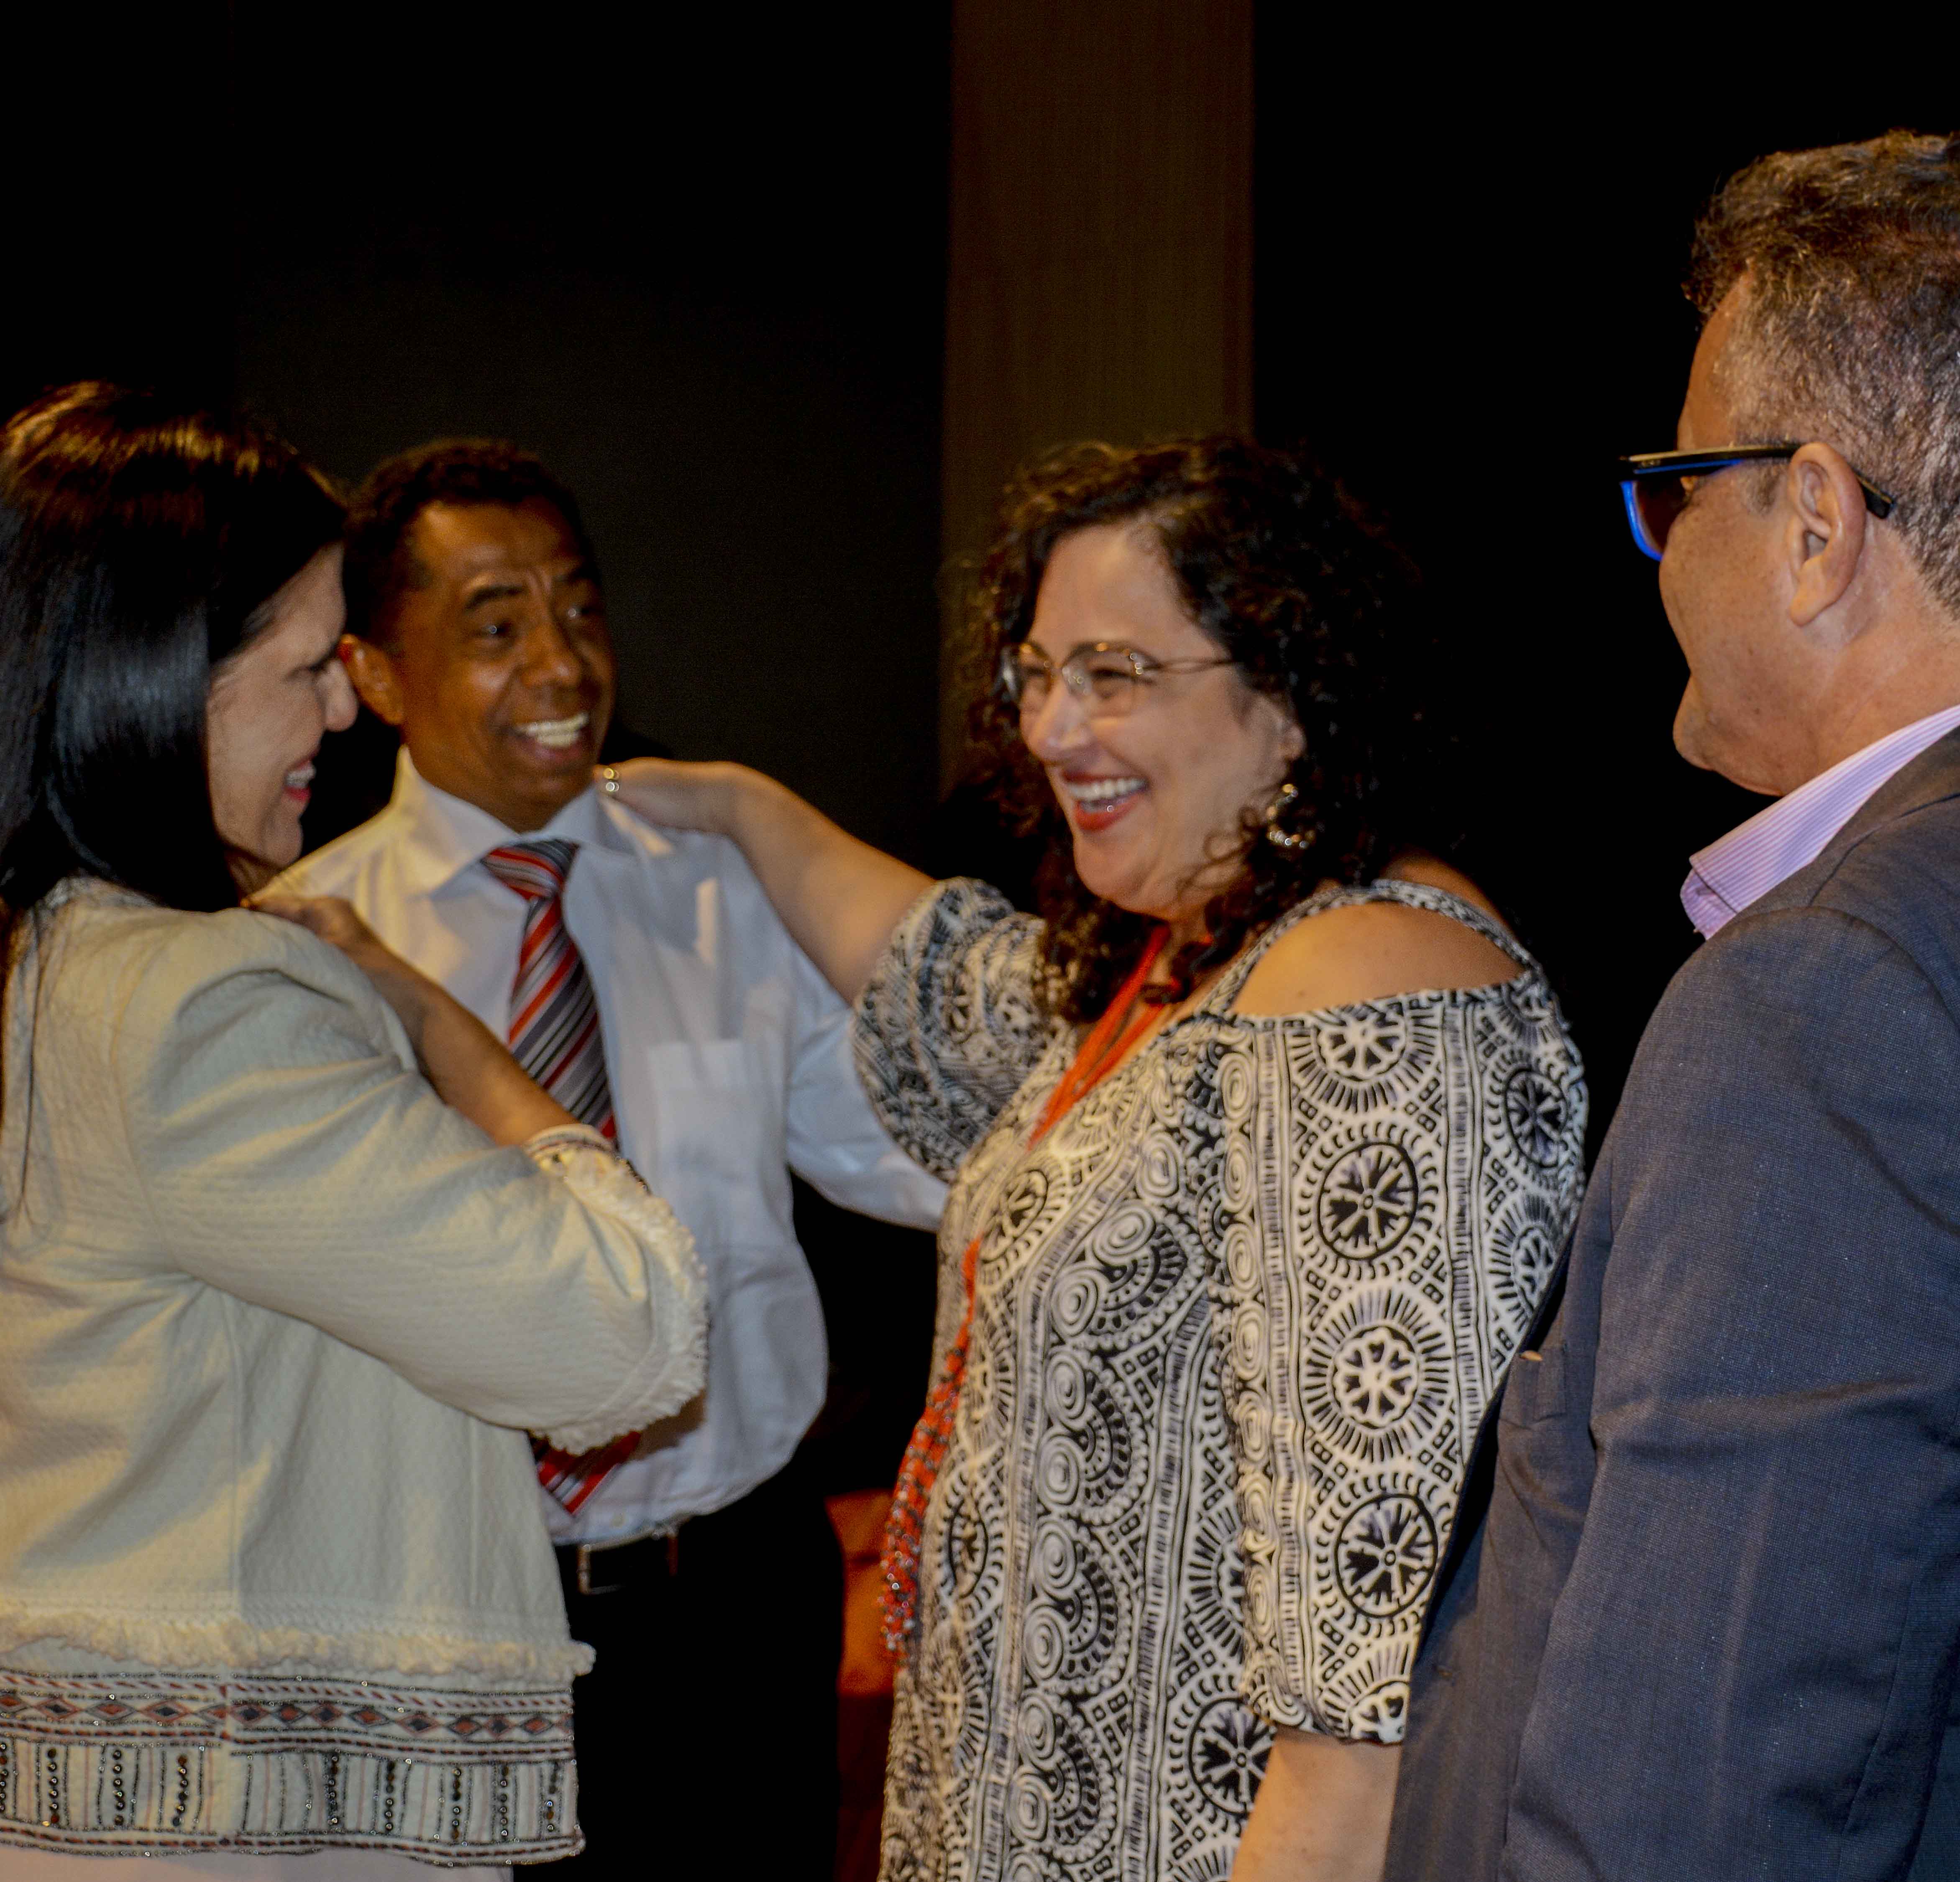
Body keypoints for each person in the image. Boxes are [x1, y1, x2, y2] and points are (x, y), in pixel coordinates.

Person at [1386, 133, 1960, 1881]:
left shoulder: (1839, 996)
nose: (1656, 556)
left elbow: (1690, 1805)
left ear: (1815, 522)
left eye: (1676, 487)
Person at [607, 436, 1590, 1882]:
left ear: (1290, 692)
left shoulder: (1374, 988)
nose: (1054, 727)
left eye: (1116, 673)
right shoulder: (1191, 968)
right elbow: (947, 985)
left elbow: (1369, 1646)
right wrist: (746, 810)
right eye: (1036, 674)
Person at [0, 386, 709, 1878]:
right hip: (204, 1825)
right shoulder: (197, 1009)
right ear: (153, 684)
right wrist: (439, 1026)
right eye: (303, 667)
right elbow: (625, 1331)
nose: (342, 711)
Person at [268, 440, 946, 1879]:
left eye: (579, 608)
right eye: (495, 626)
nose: (563, 664)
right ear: (373, 674)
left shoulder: (723, 885)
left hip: (736, 1596)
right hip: (454, 1609)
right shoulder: (306, 946)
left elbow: (913, 1156)